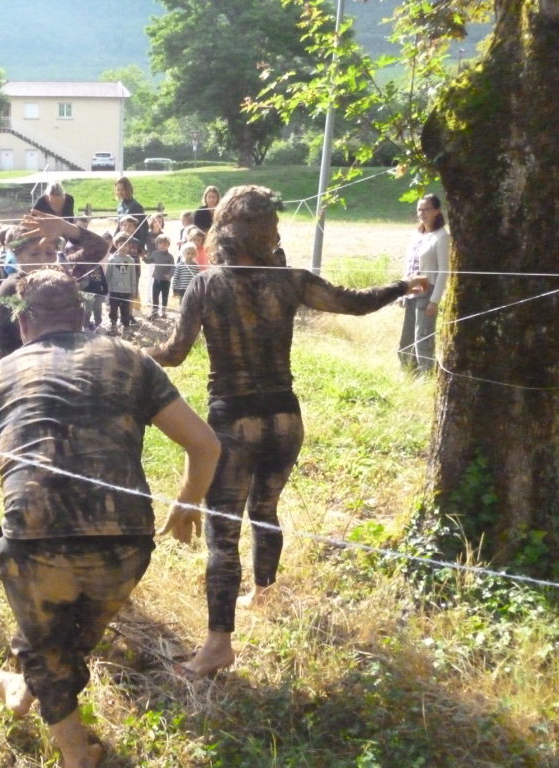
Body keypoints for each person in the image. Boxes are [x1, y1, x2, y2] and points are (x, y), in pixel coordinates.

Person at [149, 185, 430, 678]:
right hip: (285, 419)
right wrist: (402, 287)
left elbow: (173, 352)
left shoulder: (206, 284)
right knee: (265, 509)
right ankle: (263, 593)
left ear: (224, 233)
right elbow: (354, 303)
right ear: (267, 232)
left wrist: (130, 354)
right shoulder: (291, 281)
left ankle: (218, 646)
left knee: (222, 531)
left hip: (233, 420)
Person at [0, 268, 220, 768]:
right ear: (82, 311)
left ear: (22, 322)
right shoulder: (130, 360)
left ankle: (76, 754)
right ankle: (24, 686)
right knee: (60, 646)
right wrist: (185, 505)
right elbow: (205, 444)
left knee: (49, 649)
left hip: (34, 545)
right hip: (125, 544)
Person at [0, 214, 109, 358]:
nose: (44, 260)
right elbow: (5, 345)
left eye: (49, 253)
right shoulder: (11, 288)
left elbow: (100, 247)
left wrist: (66, 228)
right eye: (34, 254)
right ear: (17, 257)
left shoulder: (63, 276)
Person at [399, 193, 450, 373]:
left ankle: (425, 373)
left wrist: (434, 301)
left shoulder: (441, 236)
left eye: (427, 209)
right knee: (407, 337)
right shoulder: (417, 235)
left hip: (428, 291)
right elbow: (409, 264)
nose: (422, 213)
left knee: (423, 336)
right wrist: (402, 291)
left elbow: (444, 270)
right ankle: (407, 371)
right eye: (420, 209)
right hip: (411, 289)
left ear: (436, 211)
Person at [105, 232, 137, 334]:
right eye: (121, 244)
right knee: (113, 309)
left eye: (126, 245)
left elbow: (133, 276)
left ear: (129, 246)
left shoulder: (131, 260)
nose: (123, 247)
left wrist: (133, 290)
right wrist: (106, 288)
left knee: (125, 310)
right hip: (114, 290)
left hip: (126, 291)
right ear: (116, 245)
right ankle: (113, 324)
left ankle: (126, 326)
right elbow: (108, 275)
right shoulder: (112, 260)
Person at [143, 233, 175, 318]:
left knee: (165, 295)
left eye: (165, 244)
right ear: (157, 245)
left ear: (168, 245)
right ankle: (154, 311)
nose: (163, 245)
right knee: (155, 295)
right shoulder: (155, 253)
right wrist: (143, 257)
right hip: (157, 279)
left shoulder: (170, 256)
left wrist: (169, 275)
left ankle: (164, 311)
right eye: (160, 243)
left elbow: (172, 267)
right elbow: (148, 261)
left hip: (166, 280)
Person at [113, 177, 148, 250]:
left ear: (128, 189)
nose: (120, 192)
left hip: (133, 244)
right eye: (118, 190)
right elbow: (119, 226)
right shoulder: (120, 206)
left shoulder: (136, 206)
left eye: (122, 189)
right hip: (122, 243)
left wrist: (141, 247)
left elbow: (144, 228)